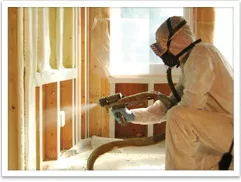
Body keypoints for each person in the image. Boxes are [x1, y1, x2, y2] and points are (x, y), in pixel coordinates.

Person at [111, 16, 234, 170]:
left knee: (177, 115)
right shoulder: (190, 62)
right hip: (222, 131)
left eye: (162, 46)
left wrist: (171, 112)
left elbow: (187, 108)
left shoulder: (201, 54)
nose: (162, 54)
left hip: (231, 130)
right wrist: (132, 115)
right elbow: (168, 106)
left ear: (177, 40)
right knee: (202, 167)